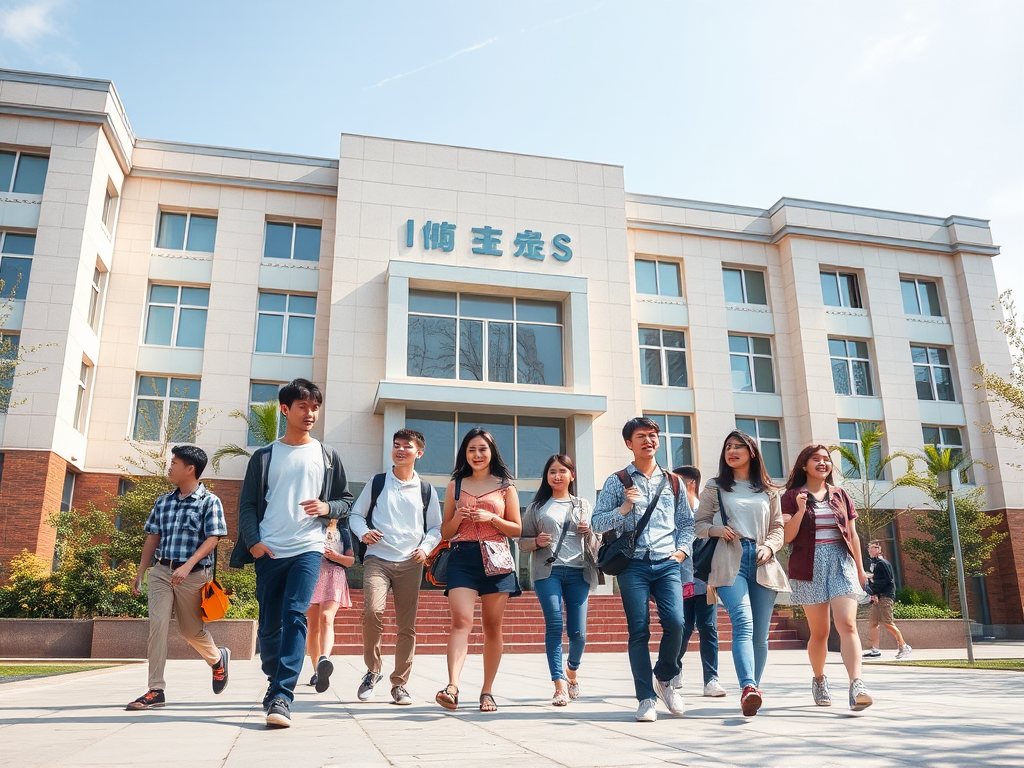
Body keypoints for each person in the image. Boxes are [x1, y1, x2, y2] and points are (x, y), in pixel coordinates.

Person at [229, 378, 354, 728]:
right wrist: (253, 542)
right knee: (269, 626)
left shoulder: (327, 456)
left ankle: (283, 695)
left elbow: (345, 501)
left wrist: (326, 505)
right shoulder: (265, 456)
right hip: (269, 549)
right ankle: (274, 679)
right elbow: (248, 504)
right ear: (286, 409)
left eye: (315, 407)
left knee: (296, 615)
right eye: (303, 406)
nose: (311, 412)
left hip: (308, 548)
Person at [592, 417, 694, 723]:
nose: (649, 440)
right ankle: (645, 698)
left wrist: (681, 551)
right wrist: (623, 509)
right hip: (632, 564)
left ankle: (664, 676)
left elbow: (686, 523)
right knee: (639, 631)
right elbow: (597, 522)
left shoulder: (674, 481)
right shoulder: (618, 480)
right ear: (629, 443)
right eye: (641, 436)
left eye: (653, 435)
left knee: (677, 623)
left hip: (667, 562)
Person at [695, 430, 790, 717]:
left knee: (760, 635)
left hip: (762, 560)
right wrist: (716, 529)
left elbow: (778, 528)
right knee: (743, 621)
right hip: (728, 558)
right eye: (728, 447)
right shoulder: (715, 487)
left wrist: (771, 548)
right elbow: (698, 525)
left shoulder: (769, 490)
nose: (732, 450)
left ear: (752, 452)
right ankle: (747, 686)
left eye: (739, 446)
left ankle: (753, 691)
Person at [127, 445, 229, 710]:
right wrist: (141, 573)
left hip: (193, 575)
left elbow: (213, 538)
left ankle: (217, 659)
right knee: (157, 627)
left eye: (174, 463)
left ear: (190, 469)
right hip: (161, 572)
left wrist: (187, 566)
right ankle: (155, 690)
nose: (169, 467)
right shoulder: (163, 501)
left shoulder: (210, 501)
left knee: (190, 631)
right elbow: (153, 538)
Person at [349, 428, 443, 705]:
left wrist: (425, 548)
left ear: (419, 453)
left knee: (406, 626)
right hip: (377, 558)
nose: (400, 450)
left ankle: (399, 684)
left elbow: (435, 527)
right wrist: (363, 532)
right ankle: (373, 670)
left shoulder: (425, 489)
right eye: (396, 445)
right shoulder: (378, 482)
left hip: (410, 562)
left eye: (407, 446)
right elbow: (356, 515)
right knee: (373, 611)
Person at [435, 428, 521, 714]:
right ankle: (452, 686)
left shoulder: (506, 486)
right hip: (463, 556)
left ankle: (487, 691)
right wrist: (458, 516)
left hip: (496, 557)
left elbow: (517, 529)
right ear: (465, 453)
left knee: (492, 627)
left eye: (482, 449)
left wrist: (492, 518)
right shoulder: (455, 485)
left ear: (491, 452)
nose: (477, 454)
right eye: (472, 449)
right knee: (460, 621)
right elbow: (445, 531)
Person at [782, 444, 873, 711]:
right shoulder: (790, 496)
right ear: (804, 465)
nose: (823, 463)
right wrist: (799, 510)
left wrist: (859, 569)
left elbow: (853, 535)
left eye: (826, 460)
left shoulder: (841, 495)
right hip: (808, 566)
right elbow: (787, 537)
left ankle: (857, 685)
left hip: (840, 562)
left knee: (848, 624)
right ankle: (820, 679)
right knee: (820, 632)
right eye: (816, 459)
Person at [518, 454, 600, 706]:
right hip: (548, 572)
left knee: (579, 633)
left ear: (572, 475)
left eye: (562, 471)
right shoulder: (537, 507)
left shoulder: (583, 504)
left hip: (579, 572)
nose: (557, 475)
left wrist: (589, 533)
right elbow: (521, 542)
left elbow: (598, 542)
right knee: (554, 625)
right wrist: (536, 542)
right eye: (552, 471)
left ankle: (572, 672)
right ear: (547, 476)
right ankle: (559, 686)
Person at [669, 465, 726, 698]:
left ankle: (711, 680)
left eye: (676, 483)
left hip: (707, 580)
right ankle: (673, 668)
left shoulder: (709, 513)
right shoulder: (670, 514)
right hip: (679, 580)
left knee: (708, 628)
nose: (672, 489)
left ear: (690, 484)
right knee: (680, 628)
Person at [304, 518, 354, 693]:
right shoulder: (312, 526)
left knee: (326, 618)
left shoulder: (344, 530)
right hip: (312, 574)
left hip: (335, 575)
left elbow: (350, 561)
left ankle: (324, 660)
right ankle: (317, 670)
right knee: (313, 627)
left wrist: (335, 557)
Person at [863, 540, 912, 660]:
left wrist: (870, 589)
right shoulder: (875, 564)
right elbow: (878, 579)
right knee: (873, 623)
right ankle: (875, 650)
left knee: (887, 622)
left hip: (885, 597)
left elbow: (884, 581)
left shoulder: (882, 564)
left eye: (873, 547)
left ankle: (904, 646)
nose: (870, 550)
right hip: (879, 597)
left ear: (879, 549)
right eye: (869, 548)